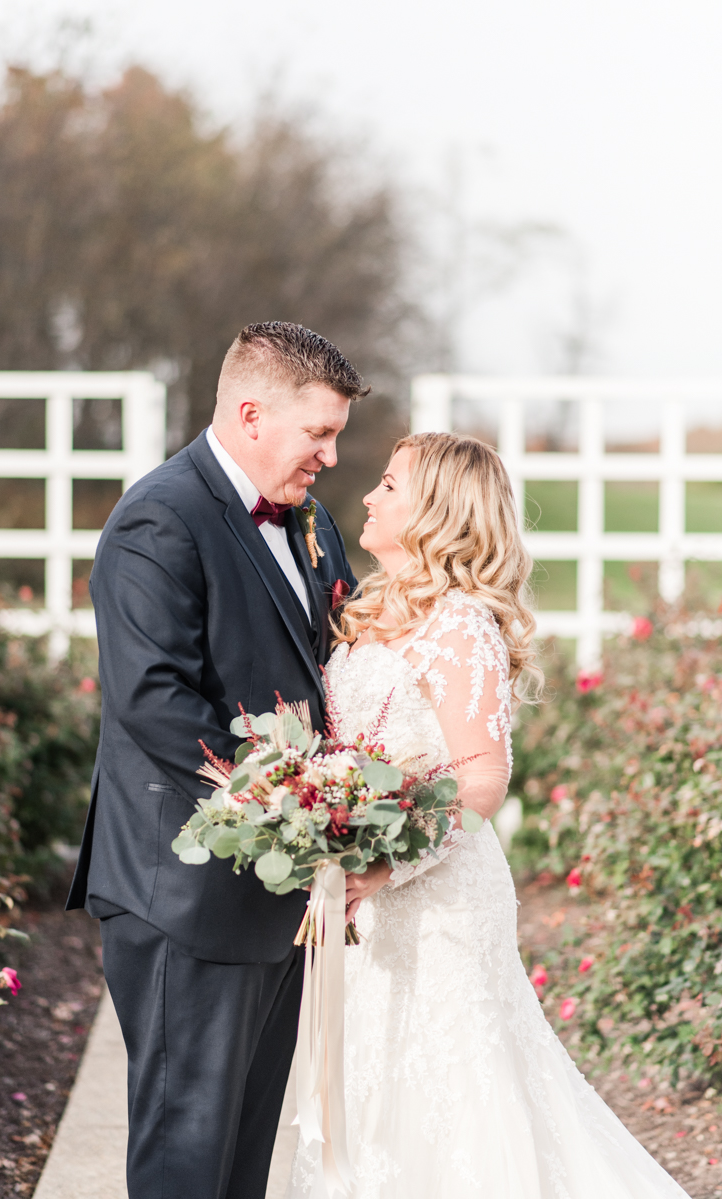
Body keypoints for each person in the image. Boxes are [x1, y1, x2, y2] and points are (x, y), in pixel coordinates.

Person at [288, 432, 690, 1199]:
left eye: (392, 486)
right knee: (371, 1102)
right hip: (368, 911)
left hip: (438, 905)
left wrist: (389, 861)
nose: (369, 496)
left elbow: (482, 778)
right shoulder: (369, 612)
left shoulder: (461, 624)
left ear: (436, 513)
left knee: (455, 1108)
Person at [66, 322, 362, 1199]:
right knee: (184, 1153)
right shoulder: (160, 515)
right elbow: (154, 697)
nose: (332, 456)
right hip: (182, 887)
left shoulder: (311, 523)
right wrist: (296, 796)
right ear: (251, 413)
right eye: (320, 432)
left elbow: (331, 663)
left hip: (278, 890)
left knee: (241, 1155)